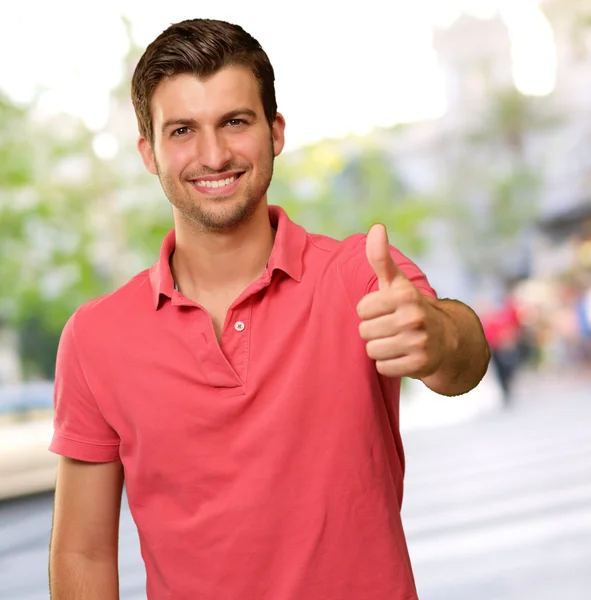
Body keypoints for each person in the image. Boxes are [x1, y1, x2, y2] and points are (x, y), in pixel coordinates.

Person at [48, 18, 490, 600]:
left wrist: (436, 336)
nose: (213, 154)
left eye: (235, 121)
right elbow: (81, 550)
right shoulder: (95, 338)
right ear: (149, 152)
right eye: (182, 130)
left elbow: (465, 362)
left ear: (275, 132)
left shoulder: (358, 274)